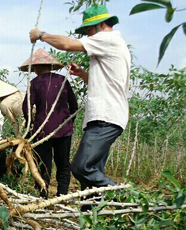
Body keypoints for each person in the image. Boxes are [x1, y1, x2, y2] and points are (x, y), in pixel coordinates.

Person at [29, 5, 131, 202]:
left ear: (101, 25)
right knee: (90, 176)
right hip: (107, 117)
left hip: (105, 117)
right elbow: (105, 82)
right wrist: (84, 74)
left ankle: (125, 195)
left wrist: (41, 35)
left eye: (89, 31)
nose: (87, 36)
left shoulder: (107, 38)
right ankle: (89, 223)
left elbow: (67, 44)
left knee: (81, 167)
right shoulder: (113, 45)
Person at [20, 48, 78, 198]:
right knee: (63, 164)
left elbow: (26, 107)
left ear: (36, 67)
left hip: (42, 131)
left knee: (44, 165)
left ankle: (43, 195)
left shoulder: (34, 83)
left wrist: (31, 123)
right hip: (63, 130)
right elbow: (74, 106)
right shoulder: (62, 81)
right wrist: (68, 123)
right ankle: (62, 196)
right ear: (51, 66)